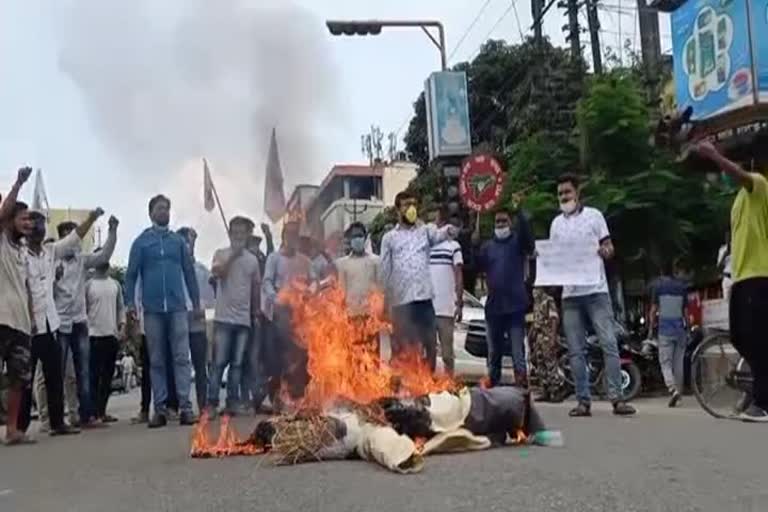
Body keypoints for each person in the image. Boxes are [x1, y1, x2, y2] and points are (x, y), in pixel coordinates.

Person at [549, 173, 636, 417]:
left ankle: (617, 399)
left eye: (567, 192)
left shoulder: (594, 216)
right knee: (576, 350)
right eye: (560, 194)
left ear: (577, 193)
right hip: (570, 295)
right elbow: (554, 257)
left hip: (596, 290)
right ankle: (583, 401)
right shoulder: (556, 224)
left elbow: (609, 247)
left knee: (608, 343)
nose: (564, 197)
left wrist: (605, 251)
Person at [693, 141, 768, 421]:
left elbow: (742, 176)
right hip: (740, 278)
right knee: (739, 337)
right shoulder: (738, 201)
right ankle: (758, 389)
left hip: (759, 275)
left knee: (758, 340)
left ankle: (763, 403)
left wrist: (715, 156)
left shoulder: (759, 185)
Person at [19, 207, 103, 437]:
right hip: (27, 324)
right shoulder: (20, 255)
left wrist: (91, 218)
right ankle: (19, 428)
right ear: (26, 230)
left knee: (54, 374)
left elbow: (74, 239)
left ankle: (58, 423)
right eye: (33, 224)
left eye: (40, 223)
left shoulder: (51, 251)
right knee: (25, 378)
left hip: (50, 323)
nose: (38, 228)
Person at [124, 194, 201, 428]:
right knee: (156, 360)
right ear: (151, 213)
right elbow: (131, 275)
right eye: (160, 208)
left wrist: (196, 302)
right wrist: (130, 304)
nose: (164, 212)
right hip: (153, 309)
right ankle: (160, 410)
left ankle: (186, 407)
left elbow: (189, 273)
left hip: (177, 308)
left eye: (167, 208)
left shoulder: (177, 242)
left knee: (181, 358)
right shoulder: (141, 242)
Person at [379, 191, 457, 370]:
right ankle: (400, 390)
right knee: (401, 349)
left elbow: (440, 234)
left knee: (429, 346)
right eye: (406, 204)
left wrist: (449, 229)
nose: (411, 208)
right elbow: (384, 272)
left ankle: (426, 387)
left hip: (424, 301)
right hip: (401, 303)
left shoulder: (425, 231)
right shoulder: (389, 238)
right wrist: (385, 301)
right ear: (398, 210)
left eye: (413, 204)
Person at [54, 212, 118, 428]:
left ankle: (87, 416)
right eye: (68, 237)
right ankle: (56, 419)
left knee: (84, 371)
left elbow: (103, 256)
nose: (72, 243)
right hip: (59, 323)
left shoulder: (81, 261)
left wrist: (112, 232)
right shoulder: (52, 260)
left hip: (80, 322)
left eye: (75, 237)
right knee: (58, 372)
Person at [207, 216, 262, 417]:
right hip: (223, 320)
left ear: (247, 235)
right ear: (230, 234)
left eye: (242, 232)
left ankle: (232, 402)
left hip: (243, 321)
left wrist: (256, 313)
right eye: (235, 232)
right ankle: (212, 404)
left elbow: (256, 289)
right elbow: (218, 273)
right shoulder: (220, 254)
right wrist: (233, 256)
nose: (239, 236)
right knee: (219, 363)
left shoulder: (252, 260)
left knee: (237, 364)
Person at [475, 206, 534, 387]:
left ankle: (521, 384)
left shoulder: (518, 243)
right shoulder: (488, 247)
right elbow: (476, 265)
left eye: (504, 221)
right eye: (497, 222)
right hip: (494, 308)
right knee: (494, 352)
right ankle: (493, 383)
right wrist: (473, 244)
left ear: (510, 223)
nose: (500, 225)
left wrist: (520, 214)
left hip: (515, 307)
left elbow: (529, 242)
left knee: (517, 350)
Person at [0, 167, 35, 445]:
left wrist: (32, 319)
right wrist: (18, 183)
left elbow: (27, 290)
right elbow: (4, 212)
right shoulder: (1, 240)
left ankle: (12, 430)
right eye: (23, 219)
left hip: (21, 323)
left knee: (18, 379)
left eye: (29, 220)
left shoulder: (23, 252)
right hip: (1, 319)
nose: (28, 224)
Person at [262, 221, 314, 402]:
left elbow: (314, 281)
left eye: (295, 235)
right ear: (283, 237)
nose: (292, 239)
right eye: (289, 235)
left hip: (301, 315)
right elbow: (267, 281)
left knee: (301, 355)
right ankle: (277, 395)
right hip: (280, 314)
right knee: (279, 356)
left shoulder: (305, 261)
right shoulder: (274, 258)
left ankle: (298, 395)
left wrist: (311, 291)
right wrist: (275, 298)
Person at [177, 227, 215, 413]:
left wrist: (201, 309)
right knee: (180, 366)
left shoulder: (202, 271)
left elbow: (212, 300)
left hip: (198, 326)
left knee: (201, 368)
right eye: (184, 242)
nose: (188, 246)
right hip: (177, 325)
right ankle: (180, 405)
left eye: (190, 242)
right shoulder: (174, 271)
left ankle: (204, 404)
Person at [86, 257, 125, 422]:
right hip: (93, 335)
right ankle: (92, 412)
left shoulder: (115, 284)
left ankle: (102, 411)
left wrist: (122, 327)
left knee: (108, 376)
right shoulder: (88, 285)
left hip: (111, 335)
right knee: (93, 376)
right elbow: (84, 308)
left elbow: (120, 307)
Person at [647, 260, 688, 408]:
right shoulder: (682, 287)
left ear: (661, 272)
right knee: (679, 363)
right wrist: (687, 328)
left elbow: (653, 311)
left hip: (665, 329)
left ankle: (672, 389)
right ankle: (679, 393)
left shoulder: (658, 287)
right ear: (674, 271)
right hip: (680, 330)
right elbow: (686, 312)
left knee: (665, 362)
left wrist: (651, 329)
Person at [428, 210, 463, 375]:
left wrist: (459, 302)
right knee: (428, 354)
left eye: (435, 219)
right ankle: (427, 388)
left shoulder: (453, 246)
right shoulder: (426, 247)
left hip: (445, 309)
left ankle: (450, 386)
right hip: (427, 309)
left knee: (447, 354)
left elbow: (458, 274)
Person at [528, 288, 566, 402]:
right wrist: (531, 336)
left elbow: (554, 319)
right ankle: (545, 390)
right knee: (540, 364)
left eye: (536, 289)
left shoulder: (548, 300)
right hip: (539, 337)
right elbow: (536, 321)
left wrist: (553, 337)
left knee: (550, 364)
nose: (534, 292)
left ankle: (555, 390)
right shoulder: (537, 303)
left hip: (547, 335)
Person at [717, 230, 732, 300]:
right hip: (727, 278)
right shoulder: (722, 249)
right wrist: (725, 255)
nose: (728, 238)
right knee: (727, 302)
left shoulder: (738, 248)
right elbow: (719, 267)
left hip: (737, 277)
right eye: (727, 236)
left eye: (730, 236)